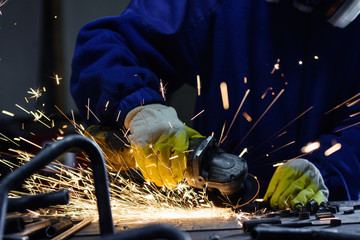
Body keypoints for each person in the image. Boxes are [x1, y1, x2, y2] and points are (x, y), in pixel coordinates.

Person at [71, 0, 360, 209]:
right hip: (217, 216)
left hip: (330, 221)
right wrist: (142, 108)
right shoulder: (220, 6)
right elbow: (109, 43)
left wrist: (328, 173)